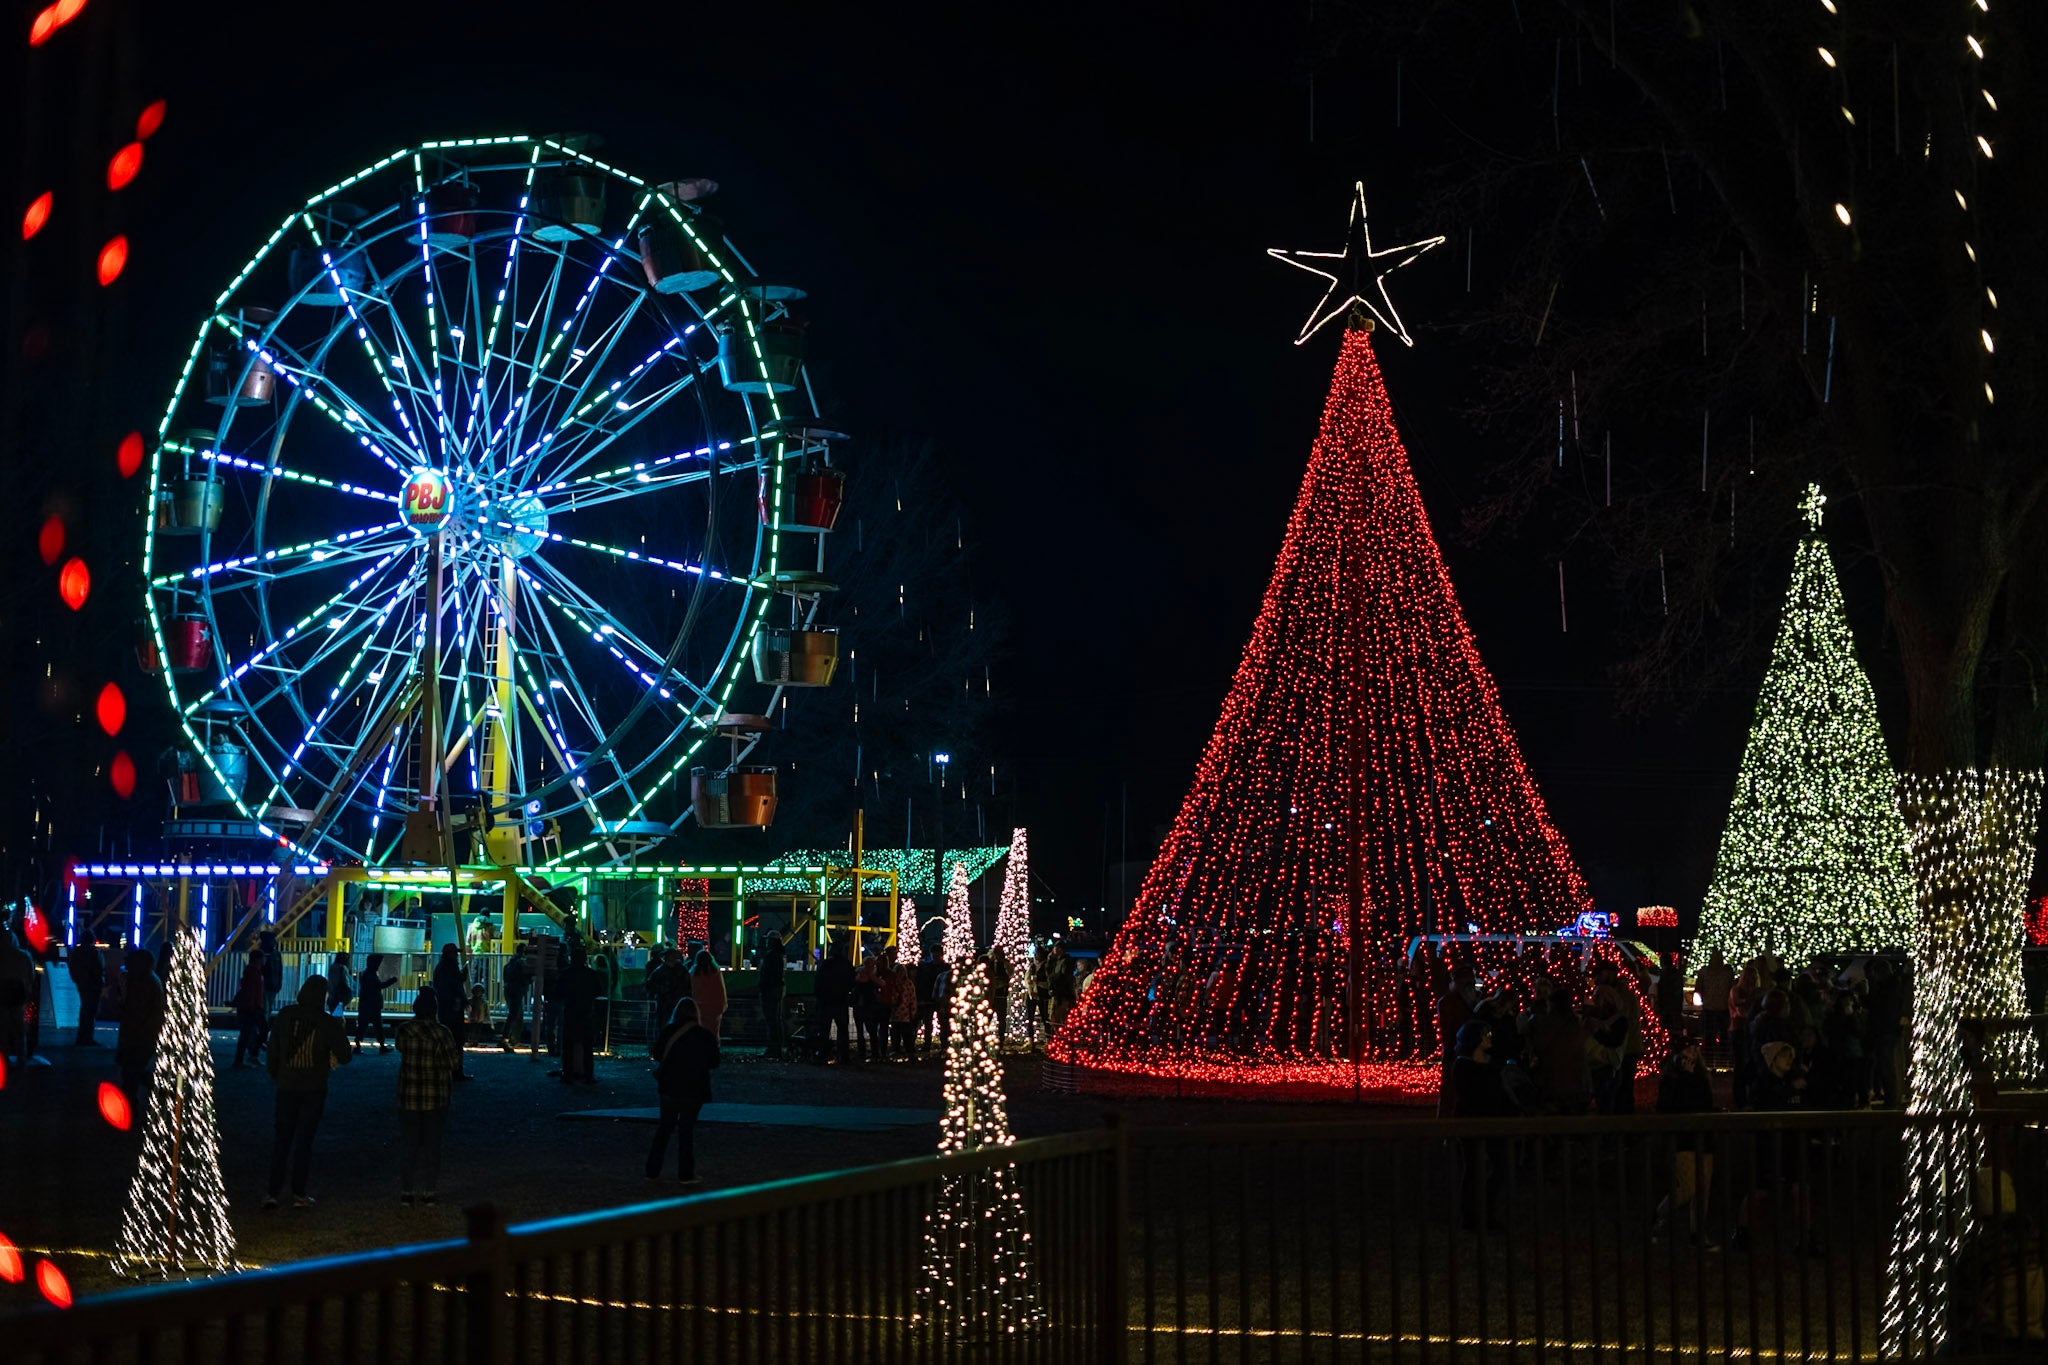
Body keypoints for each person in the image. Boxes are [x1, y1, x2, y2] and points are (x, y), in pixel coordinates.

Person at [265, 975, 352, 1209]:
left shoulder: (285, 1016)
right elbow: (345, 1055)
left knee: (282, 1138)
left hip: (286, 1085)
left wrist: (278, 1074)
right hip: (313, 1086)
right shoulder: (326, 1022)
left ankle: (272, 1191)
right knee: (304, 1141)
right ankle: (298, 1193)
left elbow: (273, 1050)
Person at [394, 987, 460, 1206]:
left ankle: (406, 1191)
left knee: (409, 1144)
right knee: (433, 1145)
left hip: (409, 1094)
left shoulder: (404, 1030)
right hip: (436, 1095)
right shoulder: (443, 1033)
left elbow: (400, 1048)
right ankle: (429, 1191)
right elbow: (453, 1064)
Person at [1448, 1020, 1515, 1233]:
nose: (1489, 1036)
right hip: (1473, 1123)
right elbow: (1474, 1095)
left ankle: (1485, 1211)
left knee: (1498, 1167)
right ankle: (1472, 1216)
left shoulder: (1489, 1063)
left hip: (1492, 1122)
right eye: (1485, 1033)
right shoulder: (1464, 1066)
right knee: (1474, 1169)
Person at [646, 998, 719, 1184]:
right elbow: (714, 1062)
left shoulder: (669, 1031)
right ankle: (686, 1173)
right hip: (694, 1087)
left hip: (670, 1085)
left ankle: (652, 1170)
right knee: (686, 1131)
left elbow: (657, 1053)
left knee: (664, 1128)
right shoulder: (704, 1035)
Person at [1654, 1036, 1717, 1245]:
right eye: (1686, 1050)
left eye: (1693, 1049)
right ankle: (1660, 1215)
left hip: (1704, 1134)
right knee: (1688, 1187)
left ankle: (1698, 1232)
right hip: (1683, 1137)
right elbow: (1670, 1106)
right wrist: (1686, 1078)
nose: (1691, 1054)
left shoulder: (1701, 1076)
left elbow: (1705, 1102)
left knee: (1704, 1189)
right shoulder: (1672, 1079)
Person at [116, 948, 166, 1103]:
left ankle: (159, 1092)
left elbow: (136, 1012)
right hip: (144, 1035)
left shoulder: (142, 983)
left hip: (140, 1036)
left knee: (131, 1073)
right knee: (133, 1071)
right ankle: (160, 1091)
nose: (126, 964)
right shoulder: (148, 980)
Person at [1435, 965, 1480, 1115]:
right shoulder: (1448, 1003)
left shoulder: (1474, 1000)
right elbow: (1450, 1029)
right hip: (1456, 1051)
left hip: (1468, 1051)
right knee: (1451, 1091)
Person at [432, 944, 471, 1080]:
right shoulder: (447, 968)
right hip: (451, 1010)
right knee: (455, 1040)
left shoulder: (443, 968)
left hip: (448, 1009)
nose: (457, 956)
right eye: (455, 953)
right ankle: (455, 1071)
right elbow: (454, 986)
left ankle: (451, 1070)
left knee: (451, 1040)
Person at [559, 949, 598, 1084]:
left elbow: (559, 992)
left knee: (568, 1045)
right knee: (587, 1045)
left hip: (570, 1011)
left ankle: (567, 1073)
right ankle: (588, 1074)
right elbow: (598, 991)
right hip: (586, 1012)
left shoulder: (565, 974)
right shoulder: (591, 974)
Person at [814, 937, 854, 1064]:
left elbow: (818, 982)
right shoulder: (846, 964)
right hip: (841, 1001)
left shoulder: (826, 964)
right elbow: (852, 981)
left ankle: (823, 1055)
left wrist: (819, 996)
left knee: (824, 1030)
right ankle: (844, 1056)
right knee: (843, 1030)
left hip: (827, 1001)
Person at [354, 953, 398, 1054]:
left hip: (366, 1005)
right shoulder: (370, 975)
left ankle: (358, 1046)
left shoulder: (367, 974)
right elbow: (379, 986)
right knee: (377, 1027)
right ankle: (381, 1046)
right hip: (372, 1005)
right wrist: (392, 981)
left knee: (363, 1026)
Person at [232, 948, 269, 1068]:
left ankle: (246, 1057)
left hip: (251, 1006)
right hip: (253, 1007)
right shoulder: (254, 973)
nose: (264, 960)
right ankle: (251, 1055)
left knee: (247, 1033)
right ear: (258, 959)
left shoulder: (252, 971)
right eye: (263, 958)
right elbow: (253, 992)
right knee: (260, 1030)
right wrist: (256, 1006)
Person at [66, 938, 104, 1046]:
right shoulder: (94, 952)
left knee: (85, 1010)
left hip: (82, 984)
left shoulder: (77, 952)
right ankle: (88, 1037)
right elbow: (98, 968)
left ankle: (81, 1037)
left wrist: (77, 980)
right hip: (93, 986)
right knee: (91, 1012)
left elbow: (72, 968)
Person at [1694, 949, 1734, 1048]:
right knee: (1724, 1037)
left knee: (1709, 1037)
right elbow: (1731, 988)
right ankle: (1723, 1056)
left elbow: (1698, 988)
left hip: (1709, 1007)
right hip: (1723, 1008)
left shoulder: (1704, 972)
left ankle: (1708, 1057)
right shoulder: (1727, 973)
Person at [758, 932, 788, 1060]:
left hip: (770, 990)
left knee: (772, 1020)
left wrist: (763, 987)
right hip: (776, 989)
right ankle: (778, 1048)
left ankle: (773, 1048)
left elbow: (767, 975)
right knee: (776, 1019)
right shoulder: (779, 955)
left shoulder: (771, 956)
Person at [690, 947, 728, 1041]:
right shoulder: (716, 972)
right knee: (714, 1031)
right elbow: (720, 990)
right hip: (715, 1007)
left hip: (699, 1007)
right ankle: (713, 1050)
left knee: (700, 1032)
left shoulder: (694, 973)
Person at [501, 945, 532, 1050]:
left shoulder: (511, 962)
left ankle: (510, 1039)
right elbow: (526, 976)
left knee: (514, 1014)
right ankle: (509, 1039)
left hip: (509, 989)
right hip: (517, 990)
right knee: (515, 1015)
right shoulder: (521, 962)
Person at [915, 950, 943, 1058]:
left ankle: (932, 1043)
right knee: (929, 1023)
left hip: (934, 998)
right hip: (932, 998)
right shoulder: (933, 968)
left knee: (934, 1023)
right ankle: (931, 1043)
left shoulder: (928, 968)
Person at [1047, 942, 1078, 1031]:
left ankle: (1063, 1037)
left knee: (1061, 1017)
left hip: (1063, 994)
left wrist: (1053, 980)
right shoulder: (1056, 961)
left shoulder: (1065, 961)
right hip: (1058, 993)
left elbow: (1062, 977)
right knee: (1056, 1017)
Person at [988, 945, 1014, 1045]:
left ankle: (1001, 1038)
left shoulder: (1005, 963)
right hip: (992, 994)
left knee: (1001, 1018)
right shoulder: (991, 963)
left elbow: (1009, 974)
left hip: (1001, 994)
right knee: (989, 1016)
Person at [326, 952, 356, 1023]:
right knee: (338, 1016)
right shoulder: (343, 968)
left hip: (332, 995)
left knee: (334, 1014)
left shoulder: (332, 967)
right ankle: (338, 1030)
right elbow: (346, 981)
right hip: (340, 995)